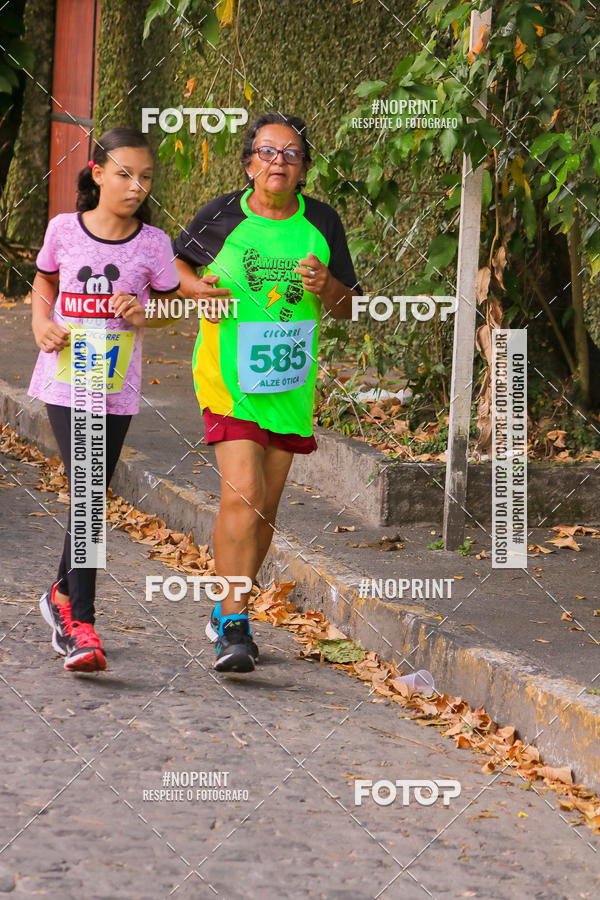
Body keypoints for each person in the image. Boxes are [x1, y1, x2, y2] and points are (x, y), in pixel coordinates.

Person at [172, 112, 361, 673]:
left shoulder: (322, 222)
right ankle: (234, 625)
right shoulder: (222, 215)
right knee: (244, 493)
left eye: (291, 154)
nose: (278, 162)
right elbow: (174, 265)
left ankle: (229, 603)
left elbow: (351, 305)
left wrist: (327, 286)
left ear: (304, 168)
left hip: (288, 381)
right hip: (227, 379)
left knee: (266, 509)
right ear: (250, 161)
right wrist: (196, 289)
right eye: (267, 152)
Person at [29, 127, 180, 673]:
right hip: (65, 379)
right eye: (124, 174)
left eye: (145, 177)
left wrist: (145, 315)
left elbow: (168, 308)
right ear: (97, 173)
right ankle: (82, 627)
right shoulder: (64, 230)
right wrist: (41, 323)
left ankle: (61, 597)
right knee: (90, 493)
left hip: (116, 387)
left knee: (93, 492)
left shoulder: (154, 244)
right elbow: (43, 283)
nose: (136, 186)